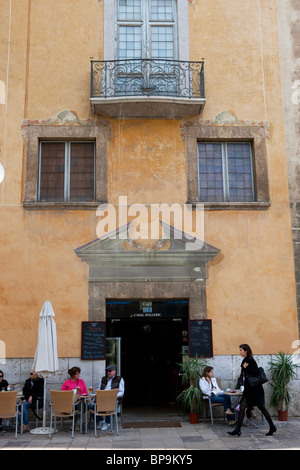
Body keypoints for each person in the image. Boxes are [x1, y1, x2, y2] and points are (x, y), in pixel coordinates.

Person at [228, 344, 277, 437]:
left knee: (262, 408)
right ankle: (237, 430)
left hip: (255, 390)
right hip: (249, 390)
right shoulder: (245, 360)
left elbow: (256, 372)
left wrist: (247, 368)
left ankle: (272, 426)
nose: (240, 352)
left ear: (246, 351)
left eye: (241, 350)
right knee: (242, 407)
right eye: (239, 350)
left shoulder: (250, 360)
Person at [95, 365, 125, 431]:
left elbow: (121, 392)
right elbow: (98, 390)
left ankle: (107, 422)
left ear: (114, 371)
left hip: (112, 399)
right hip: (102, 398)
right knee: (91, 406)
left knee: (107, 404)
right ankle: (101, 420)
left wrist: (112, 395)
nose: (108, 372)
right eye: (107, 371)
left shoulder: (119, 379)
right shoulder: (103, 379)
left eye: (110, 371)